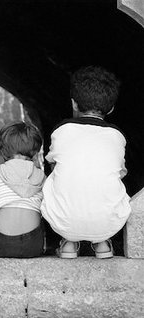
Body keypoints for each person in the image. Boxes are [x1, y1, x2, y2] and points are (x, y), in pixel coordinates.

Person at [41, 66, 131, 259]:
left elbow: (53, 164)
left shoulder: (61, 130)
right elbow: (121, 172)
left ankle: (68, 242)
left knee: (55, 172)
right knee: (112, 178)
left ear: (74, 104)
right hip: (109, 224)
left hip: (63, 221)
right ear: (112, 108)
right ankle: (102, 243)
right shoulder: (117, 136)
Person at [0, 122, 45, 258]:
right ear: (35, 150)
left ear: (3, 148)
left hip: (1, 245)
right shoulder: (42, 176)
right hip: (33, 247)